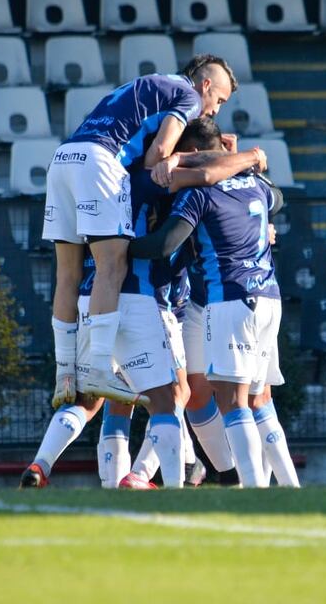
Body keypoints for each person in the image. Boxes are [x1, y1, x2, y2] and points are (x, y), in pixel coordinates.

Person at [21, 123, 262, 489]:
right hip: (139, 299)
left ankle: (42, 464)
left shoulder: (96, 187)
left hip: (91, 299)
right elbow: (208, 174)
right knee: (170, 397)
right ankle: (162, 483)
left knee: (95, 399)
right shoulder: (149, 183)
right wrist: (239, 156)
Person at [42, 57, 237, 413]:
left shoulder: (147, 83)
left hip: (64, 158)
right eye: (219, 100)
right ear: (205, 85)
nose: (213, 111)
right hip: (101, 162)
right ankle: (99, 368)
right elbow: (157, 156)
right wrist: (207, 157)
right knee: (111, 265)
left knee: (67, 274)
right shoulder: (188, 96)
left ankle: (64, 373)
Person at [129, 120, 288, 488]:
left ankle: (268, 487)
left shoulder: (214, 184)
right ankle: (231, 477)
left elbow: (276, 198)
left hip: (227, 295)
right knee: (198, 391)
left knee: (252, 396)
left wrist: (114, 249)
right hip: (203, 299)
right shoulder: (179, 179)